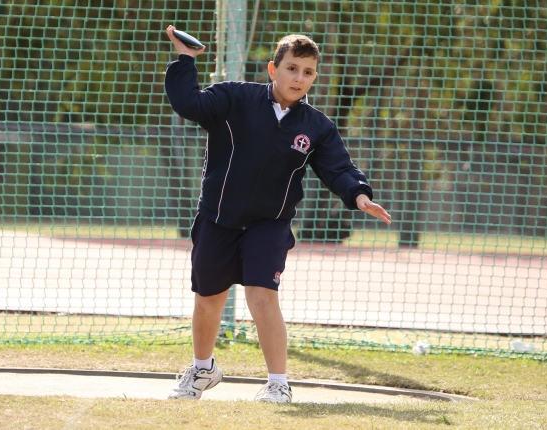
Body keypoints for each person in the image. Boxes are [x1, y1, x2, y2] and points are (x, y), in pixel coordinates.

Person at [164, 25, 392, 404]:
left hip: (269, 225)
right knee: (207, 300)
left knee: (263, 296)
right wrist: (185, 59)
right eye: (292, 68)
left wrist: (359, 194)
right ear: (273, 69)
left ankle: (277, 384)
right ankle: (203, 370)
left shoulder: (316, 127)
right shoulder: (233, 97)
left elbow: (338, 168)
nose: (299, 78)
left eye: (308, 72)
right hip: (217, 218)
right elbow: (189, 104)